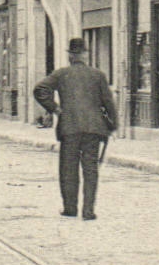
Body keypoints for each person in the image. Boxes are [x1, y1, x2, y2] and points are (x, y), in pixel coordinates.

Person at [33, 38, 118, 220]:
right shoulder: (98, 75)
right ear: (85, 55)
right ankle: (88, 210)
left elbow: (40, 89)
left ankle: (70, 208)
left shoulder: (61, 74)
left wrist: (54, 108)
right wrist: (113, 125)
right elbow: (109, 102)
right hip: (94, 129)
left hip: (69, 128)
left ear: (70, 56)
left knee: (68, 170)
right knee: (91, 169)